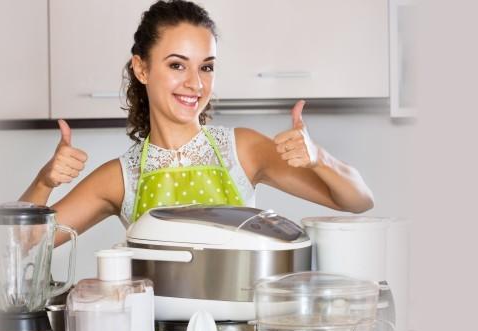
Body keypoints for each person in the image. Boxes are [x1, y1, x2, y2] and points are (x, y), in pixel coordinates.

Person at [19, 0, 374, 246]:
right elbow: (23, 246)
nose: (195, 83)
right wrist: (43, 182)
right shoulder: (121, 177)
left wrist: (319, 158)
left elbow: (358, 201)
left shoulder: (243, 150)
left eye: (206, 67)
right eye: (177, 65)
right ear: (141, 68)